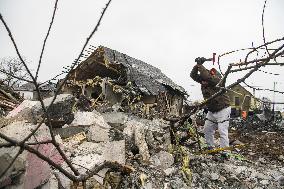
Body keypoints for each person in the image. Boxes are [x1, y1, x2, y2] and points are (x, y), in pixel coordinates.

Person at [190, 57, 231, 150]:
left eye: (205, 78)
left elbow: (207, 77)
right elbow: (193, 75)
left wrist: (201, 65)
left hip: (223, 109)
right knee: (207, 129)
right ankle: (210, 147)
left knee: (222, 131)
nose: (202, 81)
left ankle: (225, 151)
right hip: (212, 110)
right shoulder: (205, 80)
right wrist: (197, 66)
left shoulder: (218, 81)